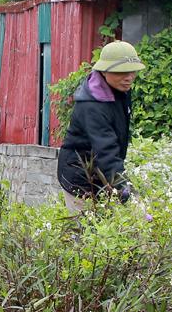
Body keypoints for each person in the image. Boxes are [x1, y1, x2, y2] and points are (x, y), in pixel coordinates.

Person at [57, 40, 146, 211]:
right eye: (122, 72)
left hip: (103, 174)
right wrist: (128, 193)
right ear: (104, 71)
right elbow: (106, 152)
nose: (129, 77)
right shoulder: (92, 106)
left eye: (132, 71)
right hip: (80, 178)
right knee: (87, 226)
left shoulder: (121, 90)